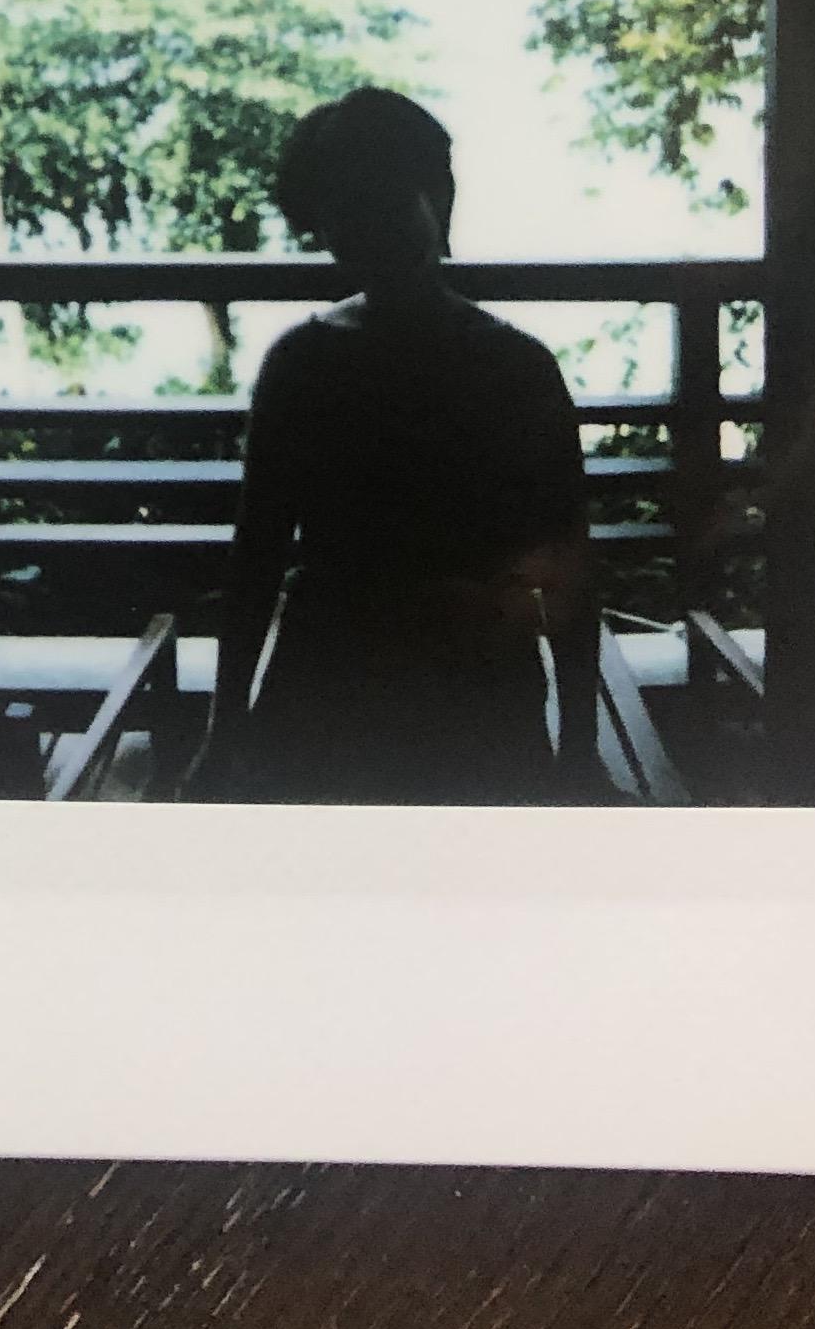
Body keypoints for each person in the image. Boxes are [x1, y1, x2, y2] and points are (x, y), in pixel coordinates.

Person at [192, 90, 607, 803]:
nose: (368, 227)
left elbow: (258, 560)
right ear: (438, 201)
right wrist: (578, 754)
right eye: (355, 208)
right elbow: (568, 567)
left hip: (331, 686)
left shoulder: (301, 363)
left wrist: (224, 735)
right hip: (476, 691)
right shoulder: (517, 364)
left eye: (376, 203)